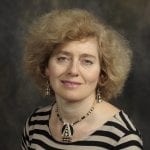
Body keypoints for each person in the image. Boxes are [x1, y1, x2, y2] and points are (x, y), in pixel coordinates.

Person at [21, 9, 143, 150]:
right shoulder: (35, 124)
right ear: (45, 67)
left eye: (87, 61)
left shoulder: (122, 137)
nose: (73, 71)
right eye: (62, 59)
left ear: (102, 74)